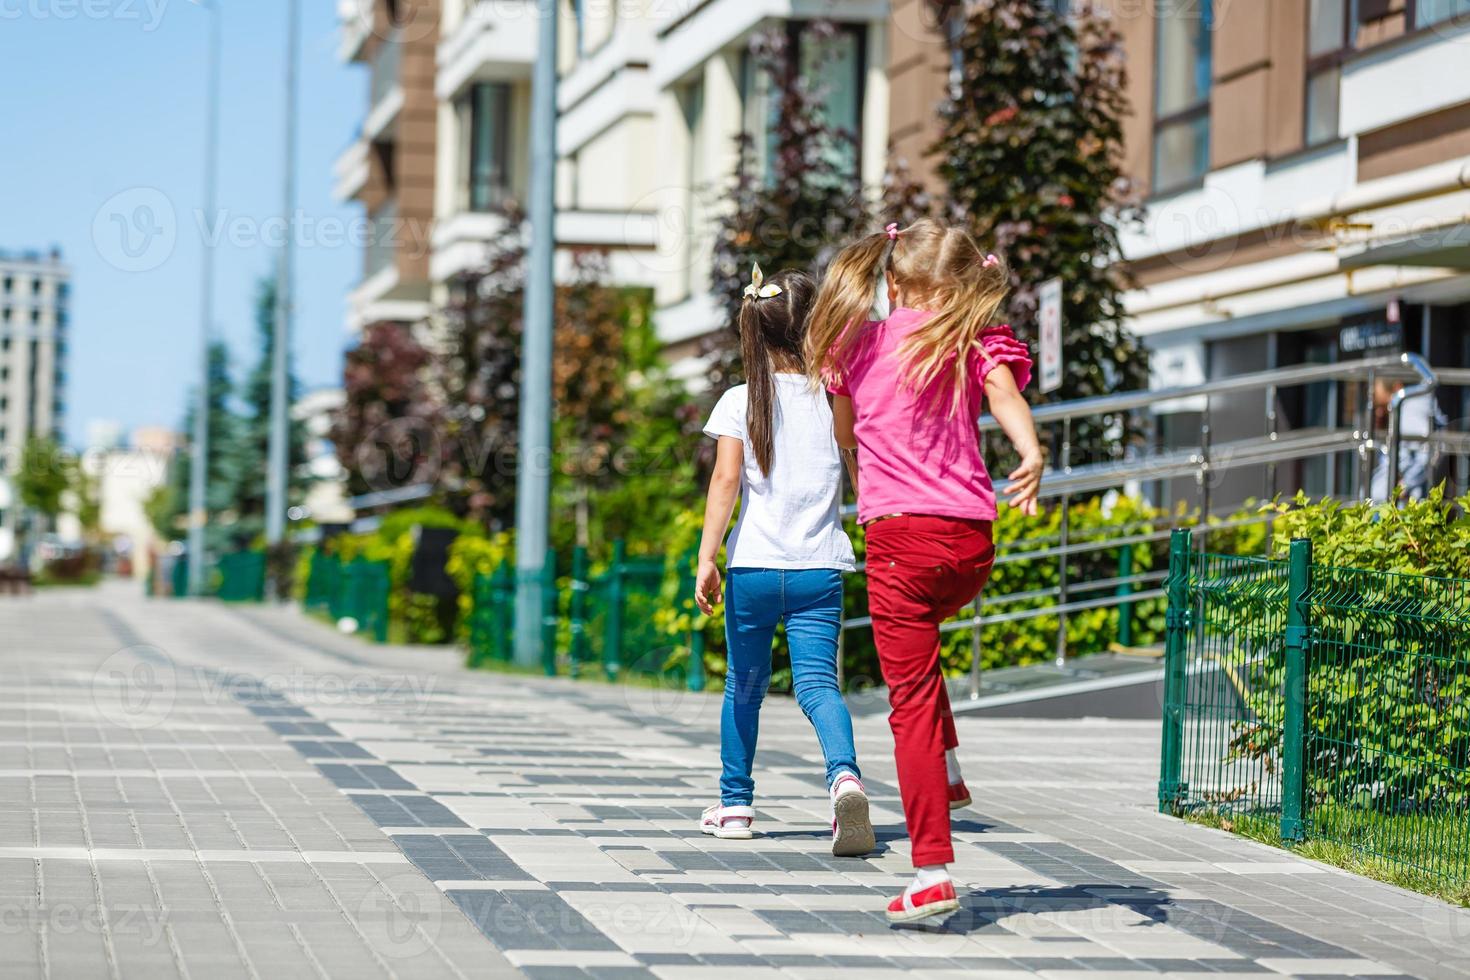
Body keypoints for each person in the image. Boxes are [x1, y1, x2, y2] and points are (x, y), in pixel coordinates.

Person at [806, 219, 1043, 923]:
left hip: (900, 543)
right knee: (925, 658)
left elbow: (845, 433)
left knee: (907, 698)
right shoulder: (970, 340)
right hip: (971, 545)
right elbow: (1004, 397)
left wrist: (861, 461)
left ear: (894, 284)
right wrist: (1030, 455)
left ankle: (933, 870)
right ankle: (949, 771)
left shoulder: (856, 346)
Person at [693, 263, 875, 858]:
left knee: (743, 686)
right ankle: (844, 778)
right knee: (819, 686)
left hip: (752, 567)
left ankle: (736, 805)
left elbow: (724, 483)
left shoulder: (739, 401)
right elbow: (856, 466)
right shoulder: (835, 401)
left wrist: (707, 557)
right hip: (819, 567)